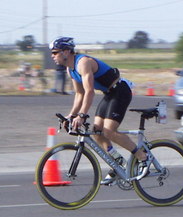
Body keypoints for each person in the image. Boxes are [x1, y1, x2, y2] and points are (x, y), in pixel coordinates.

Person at [49, 37, 148, 185]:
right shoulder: (70, 69)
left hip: (120, 91)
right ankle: (118, 162)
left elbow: (89, 92)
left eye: (55, 52)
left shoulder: (83, 63)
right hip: (109, 94)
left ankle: (143, 158)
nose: (52, 55)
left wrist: (82, 115)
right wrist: (71, 115)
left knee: (109, 131)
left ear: (66, 52)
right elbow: (79, 94)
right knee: (97, 132)